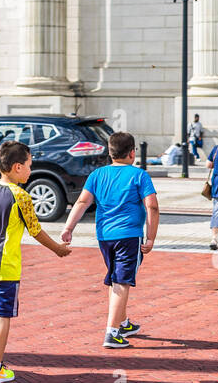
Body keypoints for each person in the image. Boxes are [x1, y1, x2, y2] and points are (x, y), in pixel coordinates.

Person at [0, 141, 71, 383]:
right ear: (17, 167)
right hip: (6, 264)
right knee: (4, 315)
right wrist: (58, 250)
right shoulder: (22, 196)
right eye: (29, 165)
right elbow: (37, 231)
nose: (31, 169)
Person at [60, 132, 159, 349]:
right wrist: (151, 237)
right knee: (122, 282)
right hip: (129, 236)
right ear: (132, 153)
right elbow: (152, 206)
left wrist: (68, 227)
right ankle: (112, 333)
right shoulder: (139, 175)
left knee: (116, 279)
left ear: (110, 152)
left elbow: (81, 202)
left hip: (104, 237)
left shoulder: (97, 175)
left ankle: (122, 323)